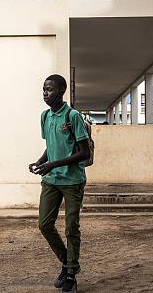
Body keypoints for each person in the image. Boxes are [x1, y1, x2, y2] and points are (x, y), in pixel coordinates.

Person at [29, 74, 91, 293]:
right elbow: (52, 145)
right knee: (45, 225)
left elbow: (84, 152)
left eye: (50, 89)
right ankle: (67, 261)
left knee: (71, 228)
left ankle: (71, 275)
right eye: (44, 89)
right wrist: (40, 162)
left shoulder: (72, 116)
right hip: (51, 180)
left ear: (61, 91)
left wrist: (53, 164)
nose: (45, 93)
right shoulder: (45, 117)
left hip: (73, 181)